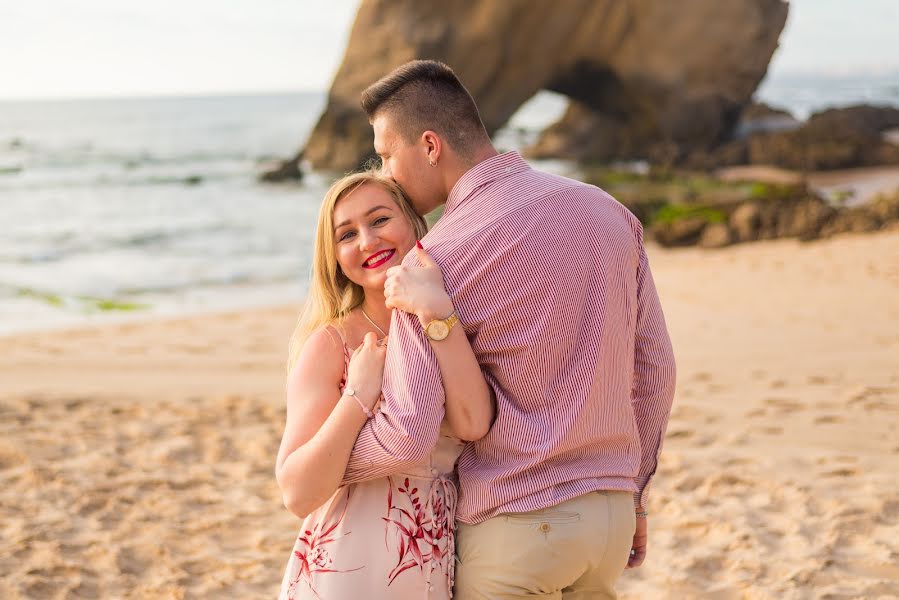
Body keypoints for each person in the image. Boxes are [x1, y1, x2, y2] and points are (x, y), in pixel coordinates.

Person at [338, 60, 677, 599]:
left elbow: (409, 431)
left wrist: (323, 460)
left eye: (385, 155)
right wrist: (634, 493)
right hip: (609, 521)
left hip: (516, 528)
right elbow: (656, 369)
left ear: (429, 146)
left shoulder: (432, 262)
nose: (384, 176)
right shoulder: (610, 213)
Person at [275, 170, 495, 599]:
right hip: (346, 569)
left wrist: (437, 316)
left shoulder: (444, 316)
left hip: (430, 564)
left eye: (379, 220)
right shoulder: (330, 343)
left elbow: (473, 424)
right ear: (334, 258)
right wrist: (357, 395)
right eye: (346, 235)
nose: (367, 242)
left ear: (414, 223)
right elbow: (297, 492)